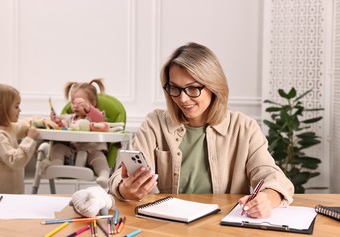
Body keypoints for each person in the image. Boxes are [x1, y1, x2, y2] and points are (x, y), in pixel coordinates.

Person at [108, 42, 295, 218]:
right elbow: (118, 177)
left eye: (193, 89)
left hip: (222, 228)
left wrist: (267, 199)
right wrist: (126, 189)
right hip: (166, 227)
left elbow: (274, 177)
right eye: (175, 88)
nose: (182, 99)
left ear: (214, 87)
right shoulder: (155, 123)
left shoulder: (244, 128)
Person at [0, 83, 57, 194]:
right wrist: (30, 139)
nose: (19, 110)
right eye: (16, 106)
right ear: (1, 108)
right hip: (0, 197)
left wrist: (42, 121)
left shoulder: (7, 128)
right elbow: (15, 160)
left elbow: (23, 125)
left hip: (10, 196)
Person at [49, 79, 111, 188]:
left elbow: (99, 119)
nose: (75, 106)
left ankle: (104, 175)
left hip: (92, 150)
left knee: (99, 157)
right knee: (58, 147)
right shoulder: (69, 118)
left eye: (80, 102)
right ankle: (56, 167)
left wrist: (89, 109)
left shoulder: (95, 117)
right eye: (73, 102)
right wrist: (58, 122)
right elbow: (64, 127)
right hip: (73, 152)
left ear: (93, 103)